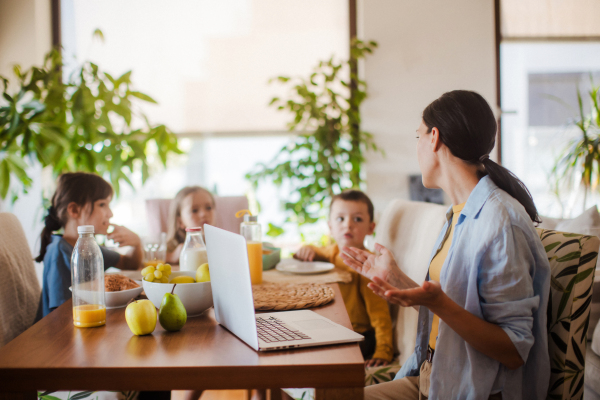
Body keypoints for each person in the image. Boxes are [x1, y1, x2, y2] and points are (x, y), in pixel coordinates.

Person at [341, 90, 551, 399]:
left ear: (434, 137)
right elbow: (457, 303)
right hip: (432, 376)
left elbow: (514, 350)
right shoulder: (458, 212)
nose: (417, 148)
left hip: (471, 389)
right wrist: (397, 281)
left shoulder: (500, 222)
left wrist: (437, 303)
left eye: (418, 136)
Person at [295, 190, 394, 367]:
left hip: (358, 336)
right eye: (340, 219)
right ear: (330, 226)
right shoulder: (330, 253)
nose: (348, 225)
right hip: (331, 331)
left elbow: (380, 314)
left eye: (357, 219)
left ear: (371, 228)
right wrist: (307, 249)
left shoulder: (367, 266)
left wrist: (384, 350)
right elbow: (316, 251)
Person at [37, 172, 143, 317]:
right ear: (74, 210)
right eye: (102, 204)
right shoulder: (60, 251)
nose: (110, 213)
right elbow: (62, 314)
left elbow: (129, 263)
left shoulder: (88, 248)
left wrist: (136, 243)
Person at [165, 186, 216, 264]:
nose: (203, 214)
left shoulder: (220, 245)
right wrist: (171, 257)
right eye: (194, 210)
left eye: (208, 208)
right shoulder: (169, 250)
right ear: (180, 221)